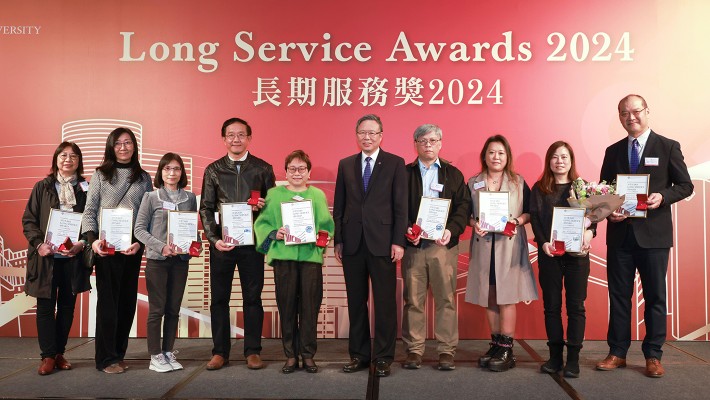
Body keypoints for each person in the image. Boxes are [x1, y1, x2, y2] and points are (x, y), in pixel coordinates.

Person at [596, 94, 693, 378]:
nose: (631, 117)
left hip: (654, 237)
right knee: (619, 297)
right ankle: (617, 352)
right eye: (624, 113)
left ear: (647, 111)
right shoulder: (612, 151)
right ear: (620, 117)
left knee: (655, 297)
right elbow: (604, 191)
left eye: (636, 111)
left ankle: (653, 355)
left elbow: (685, 186)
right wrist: (608, 210)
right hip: (620, 236)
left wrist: (662, 196)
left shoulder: (668, 146)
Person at [333, 114, 407, 378]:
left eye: (372, 133)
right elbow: (339, 207)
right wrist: (338, 239)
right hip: (352, 243)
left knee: (385, 303)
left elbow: (401, 207)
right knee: (356, 302)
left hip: (384, 243)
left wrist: (399, 241)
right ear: (356, 135)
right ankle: (359, 355)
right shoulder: (345, 164)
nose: (367, 137)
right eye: (362, 132)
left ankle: (384, 357)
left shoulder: (396, 164)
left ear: (381, 135)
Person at [199, 117, 275, 371]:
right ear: (224, 139)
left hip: (253, 246)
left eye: (241, 134)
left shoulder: (263, 169)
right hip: (223, 245)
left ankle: (252, 350)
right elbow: (206, 208)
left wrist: (265, 207)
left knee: (252, 298)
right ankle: (220, 352)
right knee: (219, 299)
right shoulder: (213, 170)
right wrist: (214, 239)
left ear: (249, 138)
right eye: (231, 135)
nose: (236, 139)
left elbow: (273, 210)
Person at [254, 150, 334, 374]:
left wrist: (320, 238)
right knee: (287, 307)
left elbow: (327, 226)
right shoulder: (273, 195)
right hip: (284, 259)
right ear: (285, 171)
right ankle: (290, 355)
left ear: (308, 172)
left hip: (310, 258)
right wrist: (274, 234)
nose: (297, 173)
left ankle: (308, 355)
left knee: (310, 307)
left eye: (301, 169)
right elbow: (261, 224)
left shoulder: (317, 195)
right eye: (292, 169)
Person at [81, 128, 152, 374]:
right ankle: (105, 359)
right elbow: (90, 211)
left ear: (134, 146)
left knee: (126, 303)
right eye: (118, 143)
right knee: (108, 304)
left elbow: (148, 215)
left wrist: (140, 243)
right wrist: (93, 241)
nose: (123, 147)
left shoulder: (143, 177)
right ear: (111, 147)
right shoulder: (101, 174)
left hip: (132, 248)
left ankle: (118, 354)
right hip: (106, 248)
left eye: (128, 143)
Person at [465, 134, 537, 372]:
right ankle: (495, 343)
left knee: (507, 296)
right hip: (485, 246)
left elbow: (530, 212)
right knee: (490, 295)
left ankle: (507, 347)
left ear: (508, 157)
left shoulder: (518, 182)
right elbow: (466, 213)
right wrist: (474, 222)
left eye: (501, 153)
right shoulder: (473, 182)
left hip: (509, 245)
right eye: (491, 152)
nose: (496, 157)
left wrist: (516, 221)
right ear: (484, 156)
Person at [401, 124, 470, 371]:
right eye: (422, 140)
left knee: (446, 299)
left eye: (432, 140)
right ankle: (414, 349)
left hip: (443, 247)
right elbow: (397, 207)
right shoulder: (404, 173)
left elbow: (463, 207)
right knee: (413, 300)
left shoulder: (453, 174)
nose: (428, 144)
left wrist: (451, 230)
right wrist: (406, 230)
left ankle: (446, 350)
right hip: (414, 247)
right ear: (415, 144)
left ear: (440, 143)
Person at [22, 142, 92, 375]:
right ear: (56, 159)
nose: (68, 160)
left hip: (72, 259)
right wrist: (39, 244)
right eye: (63, 155)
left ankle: (59, 352)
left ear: (79, 161)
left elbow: (92, 221)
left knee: (67, 307)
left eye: (73, 156)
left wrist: (83, 243)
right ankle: (48, 356)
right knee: (45, 307)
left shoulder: (86, 189)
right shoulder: (42, 187)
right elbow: (29, 221)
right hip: (47, 260)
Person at [530, 141, 595, 378]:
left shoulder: (582, 186)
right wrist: (543, 242)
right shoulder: (539, 188)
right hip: (550, 255)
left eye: (564, 157)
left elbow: (593, 218)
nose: (560, 161)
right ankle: (555, 357)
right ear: (549, 161)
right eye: (555, 157)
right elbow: (536, 220)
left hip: (577, 257)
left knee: (576, 307)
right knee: (552, 308)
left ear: (571, 160)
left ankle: (573, 360)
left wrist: (589, 233)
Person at [134, 153, 199, 373]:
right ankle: (155, 355)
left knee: (173, 309)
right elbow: (139, 229)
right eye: (167, 169)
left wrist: (195, 244)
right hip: (158, 261)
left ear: (182, 172)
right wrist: (161, 246)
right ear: (161, 172)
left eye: (177, 169)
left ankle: (168, 351)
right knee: (157, 310)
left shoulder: (190, 198)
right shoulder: (151, 197)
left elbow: (191, 229)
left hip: (180, 261)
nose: (172, 173)